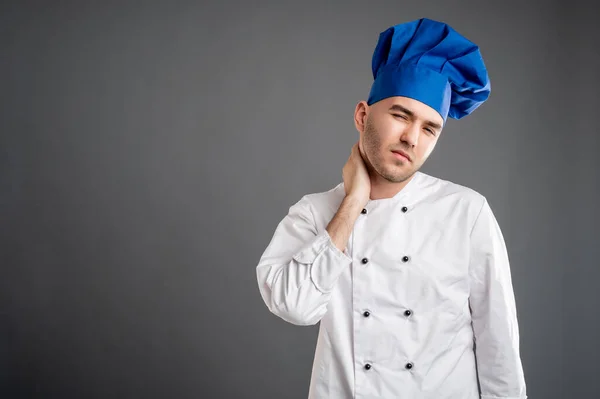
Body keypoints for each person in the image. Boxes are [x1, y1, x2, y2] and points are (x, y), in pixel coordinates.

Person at [255, 17, 527, 399]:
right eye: (401, 115)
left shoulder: (466, 213)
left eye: (430, 128)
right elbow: (295, 306)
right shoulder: (314, 213)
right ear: (363, 116)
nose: (411, 138)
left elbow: (499, 346)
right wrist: (352, 203)